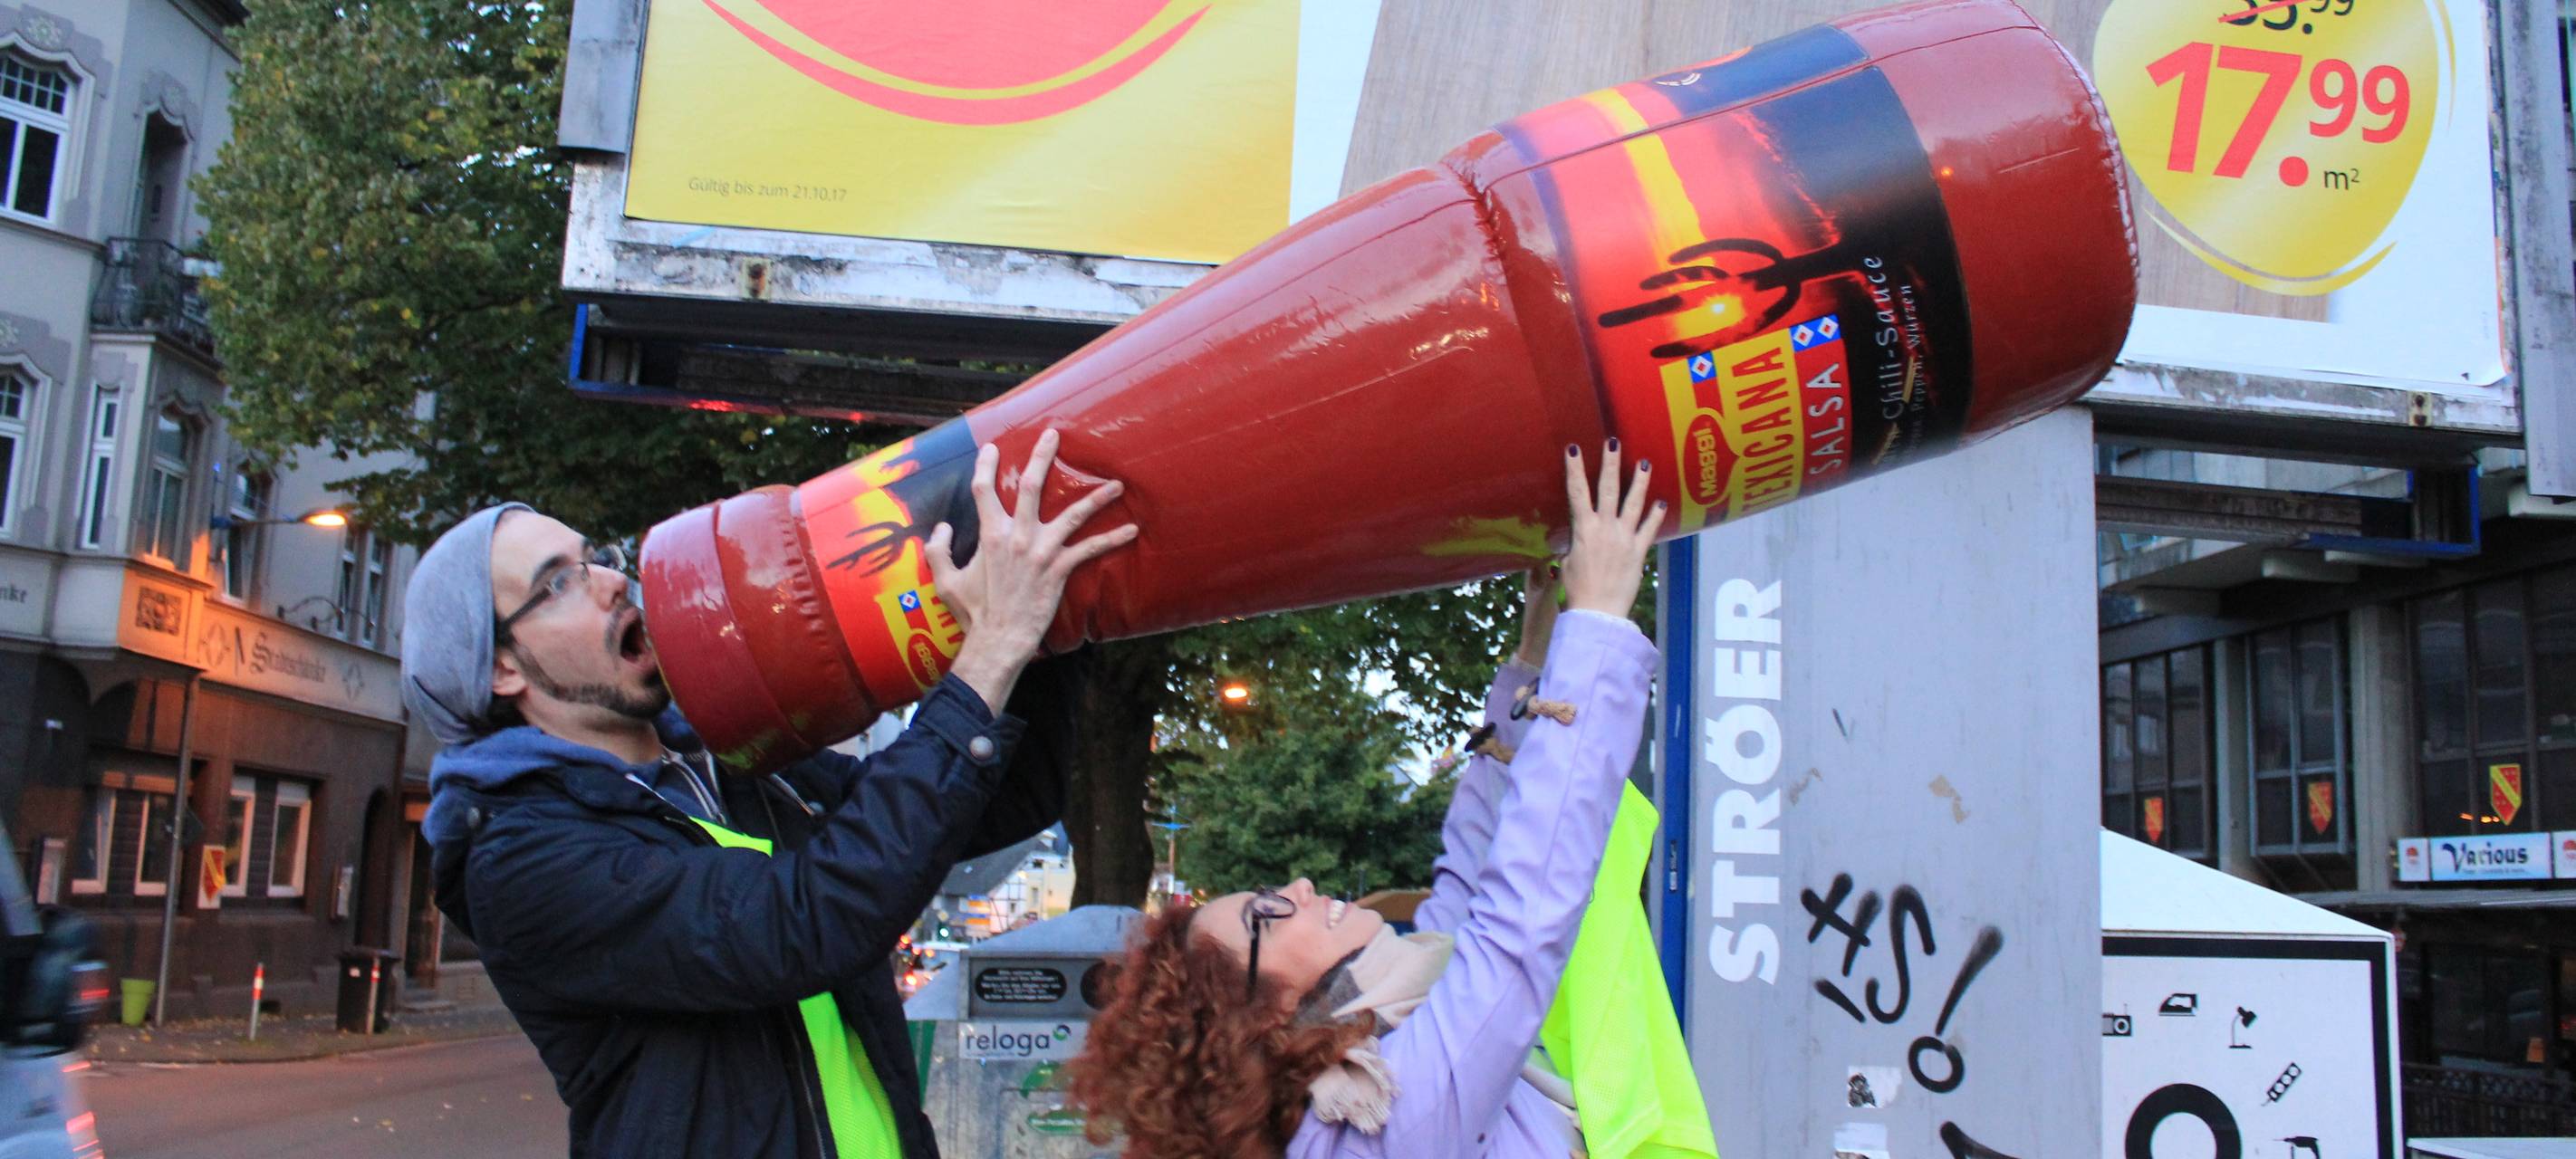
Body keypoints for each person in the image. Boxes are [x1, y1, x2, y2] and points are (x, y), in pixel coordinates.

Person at [400, 430, 1135, 1158]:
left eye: (595, 556)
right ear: (501, 670)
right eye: (558, 582)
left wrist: (1042, 627)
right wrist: (990, 650)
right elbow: (813, 916)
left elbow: (1001, 804)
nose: (609, 579)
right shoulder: (523, 859)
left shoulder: (740, 762)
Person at [1070, 440, 1668, 1158]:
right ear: (1265, 1015)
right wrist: (1597, 628)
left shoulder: (1375, 1050)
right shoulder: (1377, 1125)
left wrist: (1530, 666)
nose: (1297, 886)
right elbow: (1516, 929)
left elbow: (1469, 889)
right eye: (1269, 914)